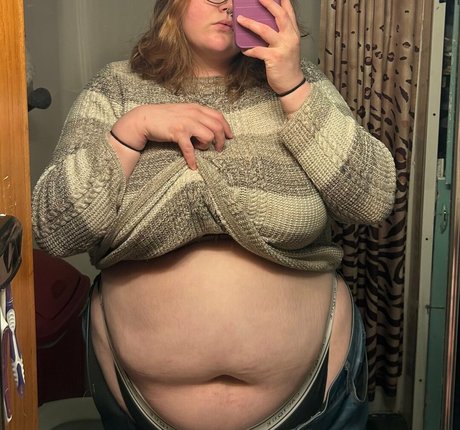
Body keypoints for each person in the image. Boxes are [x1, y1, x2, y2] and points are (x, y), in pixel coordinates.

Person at [32, 0, 396, 429]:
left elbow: (371, 200)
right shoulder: (117, 87)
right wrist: (133, 129)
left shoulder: (301, 80)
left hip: (316, 393)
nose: (226, 3)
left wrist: (293, 89)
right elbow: (55, 228)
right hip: (137, 402)